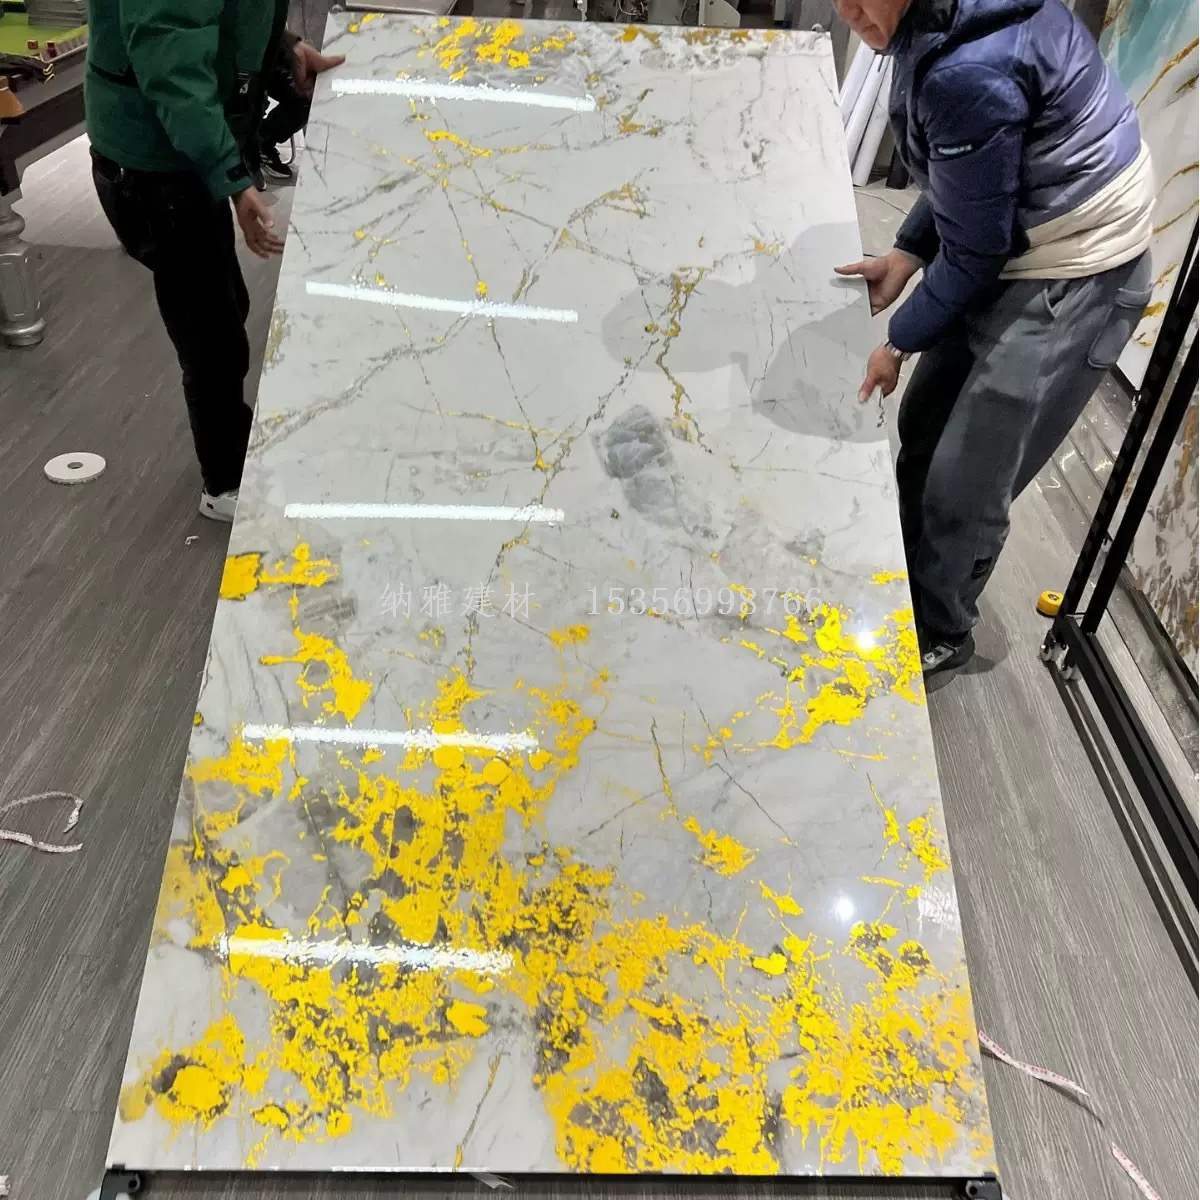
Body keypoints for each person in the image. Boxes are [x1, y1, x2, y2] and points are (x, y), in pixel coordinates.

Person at [834, 0, 1154, 680]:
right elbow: (972, 172)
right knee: (926, 423)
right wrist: (909, 251)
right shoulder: (936, 24)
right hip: (1021, 235)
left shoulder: (969, 67)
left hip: (1078, 270)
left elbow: (978, 245)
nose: (846, 8)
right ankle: (906, 579)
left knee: (967, 479)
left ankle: (939, 628)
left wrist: (897, 342)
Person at [85, 0, 343, 522]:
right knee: (210, 331)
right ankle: (225, 483)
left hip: (178, 148)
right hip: (153, 162)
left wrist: (284, 51)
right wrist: (232, 176)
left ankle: (233, 446)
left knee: (224, 306)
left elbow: (228, 15)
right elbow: (172, 64)